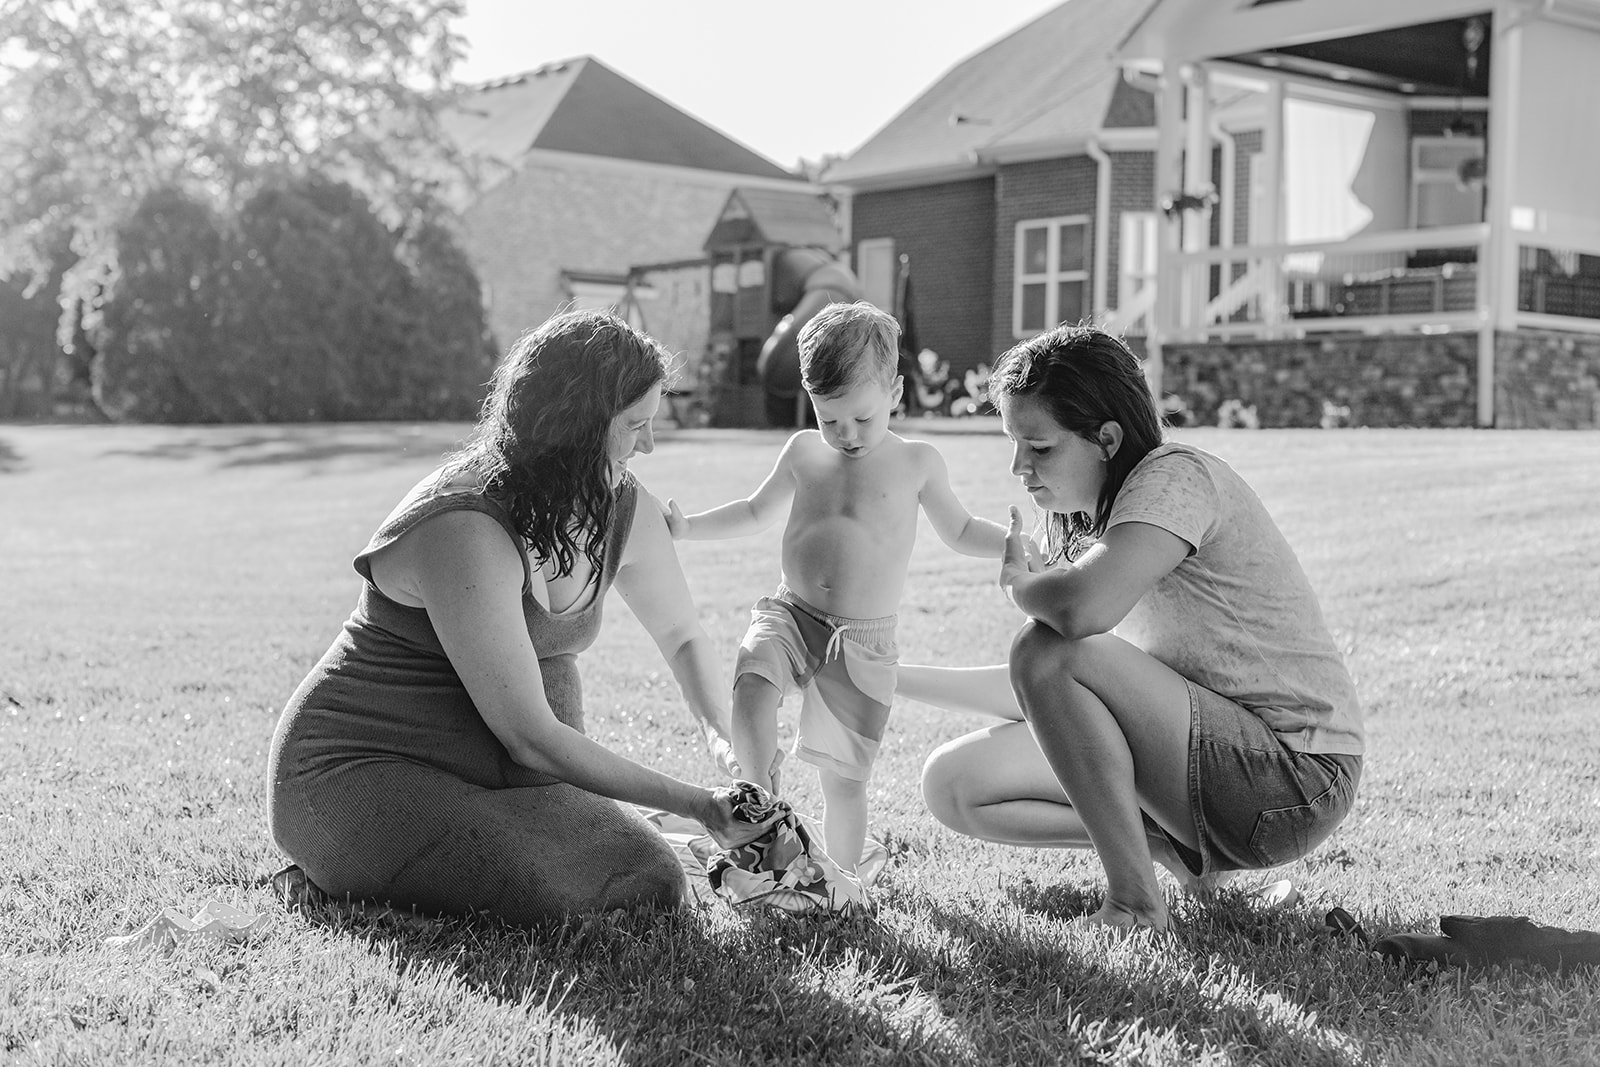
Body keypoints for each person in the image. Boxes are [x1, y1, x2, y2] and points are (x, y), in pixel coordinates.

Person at [267, 310, 777, 925]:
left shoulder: (618, 502)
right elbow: (530, 735)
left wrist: (719, 740)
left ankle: (424, 871)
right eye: (635, 426)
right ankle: (334, 880)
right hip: (360, 768)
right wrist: (700, 805)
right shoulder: (464, 525)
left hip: (500, 773)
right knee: (550, 905)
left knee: (652, 883)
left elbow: (682, 634)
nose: (648, 445)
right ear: (576, 429)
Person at [903, 324, 1363, 930]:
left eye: (1039, 449)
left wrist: (1022, 584)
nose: (1019, 467)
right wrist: (889, 678)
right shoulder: (1091, 522)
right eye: (1013, 444)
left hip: (1293, 779)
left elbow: (1073, 620)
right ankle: (1175, 854)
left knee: (1047, 649)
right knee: (953, 784)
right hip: (1206, 758)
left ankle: (1134, 902)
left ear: (1107, 439)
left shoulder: (1175, 479)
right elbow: (1045, 693)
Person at [663, 301, 1008, 871]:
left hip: (862, 640)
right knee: (752, 682)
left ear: (896, 392)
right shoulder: (803, 451)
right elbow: (754, 511)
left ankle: (844, 883)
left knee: (843, 779)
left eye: (862, 419)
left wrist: (1015, 545)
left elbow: (963, 529)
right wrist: (688, 527)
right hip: (790, 611)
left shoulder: (917, 462)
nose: (845, 435)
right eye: (830, 419)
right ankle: (759, 807)